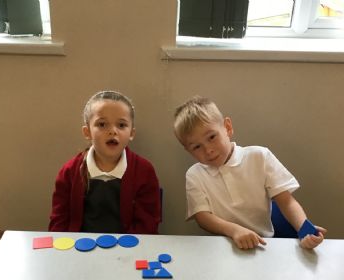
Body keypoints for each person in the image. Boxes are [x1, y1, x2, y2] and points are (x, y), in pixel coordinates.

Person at [173, 96, 326, 250]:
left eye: (212, 137)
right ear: (189, 151)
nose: (208, 150)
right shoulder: (194, 175)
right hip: (222, 248)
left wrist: (304, 229)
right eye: (197, 147)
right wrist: (234, 231)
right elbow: (202, 217)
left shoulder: (260, 157)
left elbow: (286, 201)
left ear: (227, 128)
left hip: (264, 245)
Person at [49, 90, 161, 234]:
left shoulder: (144, 171)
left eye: (121, 125)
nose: (113, 131)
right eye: (102, 124)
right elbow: (59, 222)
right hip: (81, 245)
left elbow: (148, 224)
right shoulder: (69, 171)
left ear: (131, 133)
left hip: (129, 245)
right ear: (87, 132)